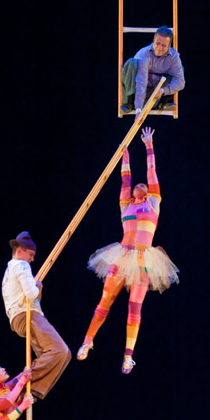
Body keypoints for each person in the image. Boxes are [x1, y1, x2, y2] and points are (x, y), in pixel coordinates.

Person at [77, 127, 179, 374]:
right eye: (138, 185)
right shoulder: (126, 205)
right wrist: (124, 154)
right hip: (122, 255)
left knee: (134, 307)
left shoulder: (153, 203)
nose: (140, 185)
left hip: (144, 258)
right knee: (105, 300)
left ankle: (128, 355)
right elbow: (125, 178)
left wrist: (148, 145)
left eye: (144, 185)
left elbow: (152, 172)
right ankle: (87, 341)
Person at [2, 231, 71, 400]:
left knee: (56, 355)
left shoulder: (10, 270)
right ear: (19, 251)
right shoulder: (20, 265)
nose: (32, 259)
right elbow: (32, 294)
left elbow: (33, 297)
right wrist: (37, 285)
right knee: (60, 351)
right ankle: (20, 382)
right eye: (31, 254)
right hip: (27, 316)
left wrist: (36, 288)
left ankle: (27, 391)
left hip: (22, 318)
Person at [121, 26, 185, 114]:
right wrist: (138, 109)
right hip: (138, 93)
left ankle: (163, 102)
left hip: (155, 95)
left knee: (179, 70)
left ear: (169, 45)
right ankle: (129, 102)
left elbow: (180, 82)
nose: (159, 48)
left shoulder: (174, 56)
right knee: (131, 62)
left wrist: (163, 91)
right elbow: (141, 81)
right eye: (157, 43)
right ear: (153, 41)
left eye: (163, 45)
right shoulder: (143, 54)